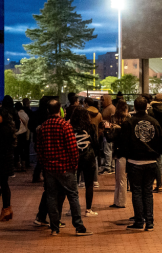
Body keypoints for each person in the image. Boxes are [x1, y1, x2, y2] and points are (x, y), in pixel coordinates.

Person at [36, 99, 93, 236]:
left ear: (48, 111)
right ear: (60, 109)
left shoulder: (43, 127)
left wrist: (45, 164)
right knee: (73, 196)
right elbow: (73, 148)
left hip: (50, 168)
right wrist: (73, 165)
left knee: (51, 197)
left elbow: (39, 149)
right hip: (66, 167)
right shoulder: (65, 126)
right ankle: (79, 226)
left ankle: (54, 227)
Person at [119, 97, 162, 231]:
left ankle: (139, 221)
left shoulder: (129, 122)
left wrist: (126, 155)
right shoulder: (154, 122)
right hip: (151, 161)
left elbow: (124, 143)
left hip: (135, 161)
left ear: (135, 107)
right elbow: (161, 141)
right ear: (146, 107)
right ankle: (150, 222)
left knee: (136, 192)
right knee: (148, 192)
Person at [70, 108, 99, 217]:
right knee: (89, 184)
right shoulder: (91, 127)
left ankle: (73, 209)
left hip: (75, 157)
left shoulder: (70, 127)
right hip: (89, 157)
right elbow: (96, 144)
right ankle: (88, 209)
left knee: (73, 184)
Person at [109, 99, 130, 208]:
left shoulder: (114, 120)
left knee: (120, 178)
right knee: (121, 178)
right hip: (125, 151)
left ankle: (120, 201)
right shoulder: (129, 120)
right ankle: (118, 201)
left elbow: (111, 137)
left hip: (119, 150)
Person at [83, 97, 103, 188]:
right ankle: (95, 180)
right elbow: (101, 126)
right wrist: (98, 135)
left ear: (86, 104)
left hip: (84, 138)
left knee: (83, 159)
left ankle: (83, 181)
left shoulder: (84, 113)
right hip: (95, 139)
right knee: (94, 159)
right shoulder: (98, 114)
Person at [99, 95, 116, 174]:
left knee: (108, 149)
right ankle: (110, 166)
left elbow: (113, 121)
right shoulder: (106, 108)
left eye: (103, 100)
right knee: (108, 149)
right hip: (106, 131)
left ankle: (108, 167)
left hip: (109, 131)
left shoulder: (111, 108)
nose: (101, 102)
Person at [14, 101, 30, 172]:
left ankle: (18, 165)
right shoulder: (25, 114)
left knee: (16, 150)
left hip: (17, 133)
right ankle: (23, 166)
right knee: (23, 150)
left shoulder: (15, 114)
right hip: (24, 133)